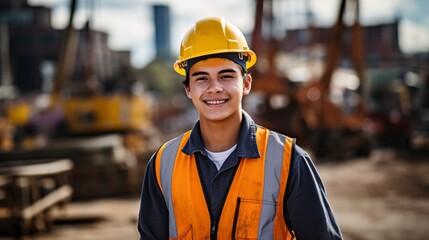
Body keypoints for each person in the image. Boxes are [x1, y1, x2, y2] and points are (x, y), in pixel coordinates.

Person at [138, 16, 343, 239]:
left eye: (226, 76)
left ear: (246, 84)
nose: (214, 88)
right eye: (202, 78)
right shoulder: (163, 164)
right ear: (188, 89)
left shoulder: (287, 161)